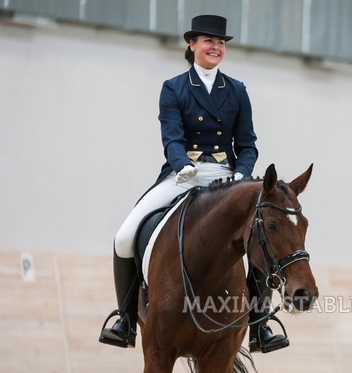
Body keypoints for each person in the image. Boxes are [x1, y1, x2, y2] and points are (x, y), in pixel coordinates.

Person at [98, 14, 289, 353]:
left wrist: (243, 174)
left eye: (220, 42)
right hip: (182, 173)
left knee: (259, 235)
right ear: (192, 45)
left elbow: (248, 144)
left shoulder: (237, 91)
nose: (215, 46)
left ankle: (260, 326)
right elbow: (171, 137)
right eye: (208, 41)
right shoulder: (174, 88)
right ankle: (125, 318)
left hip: (227, 178)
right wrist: (181, 165)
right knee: (124, 236)